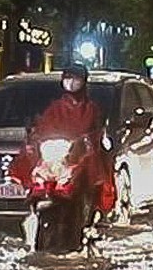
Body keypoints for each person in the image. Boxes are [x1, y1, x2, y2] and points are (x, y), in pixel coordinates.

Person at [10, 63, 115, 218]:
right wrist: (36, 138)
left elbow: (96, 131)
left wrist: (86, 141)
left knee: (94, 170)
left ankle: (93, 211)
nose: (71, 82)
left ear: (84, 81)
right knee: (40, 173)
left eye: (76, 78)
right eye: (68, 78)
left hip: (79, 155)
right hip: (57, 153)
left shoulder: (91, 109)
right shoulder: (55, 107)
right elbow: (43, 127)